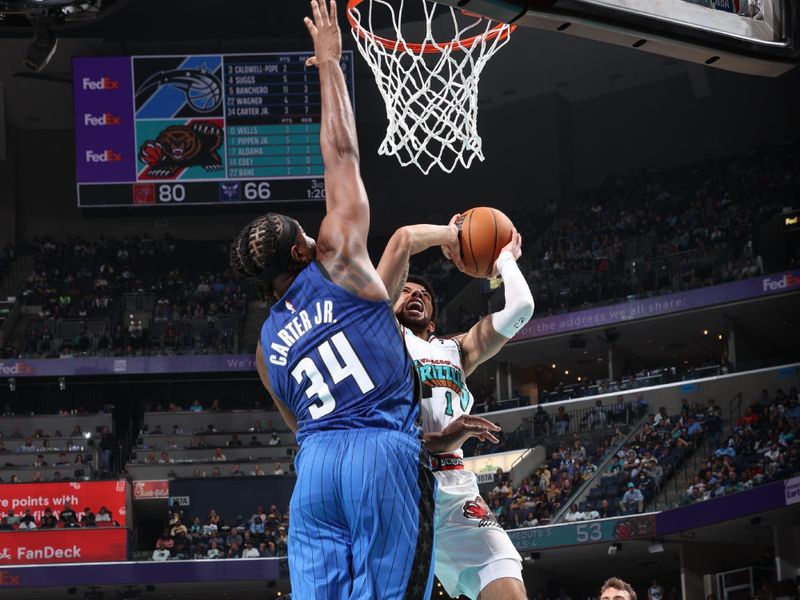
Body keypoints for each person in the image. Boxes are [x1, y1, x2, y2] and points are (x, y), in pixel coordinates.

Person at [227, 2, 435, 598]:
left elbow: (300, 425)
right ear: (300, 253)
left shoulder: (265, 351)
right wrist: (329, 63)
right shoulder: (337, 256)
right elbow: (341, 153)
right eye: (302, 230)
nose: (311, 230)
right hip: (380, 455)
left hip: (315, 469)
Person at [377, 217, 533, 600]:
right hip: (400, 488)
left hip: (456, 491)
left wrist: (504, 262)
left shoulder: (456, 350)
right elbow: (403, 241)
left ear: (433, 312)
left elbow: (522, 307)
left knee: (510, 591)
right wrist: (453, 236)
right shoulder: (382, 337)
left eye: (423, 295)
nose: (414, 295)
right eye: (406, 291)